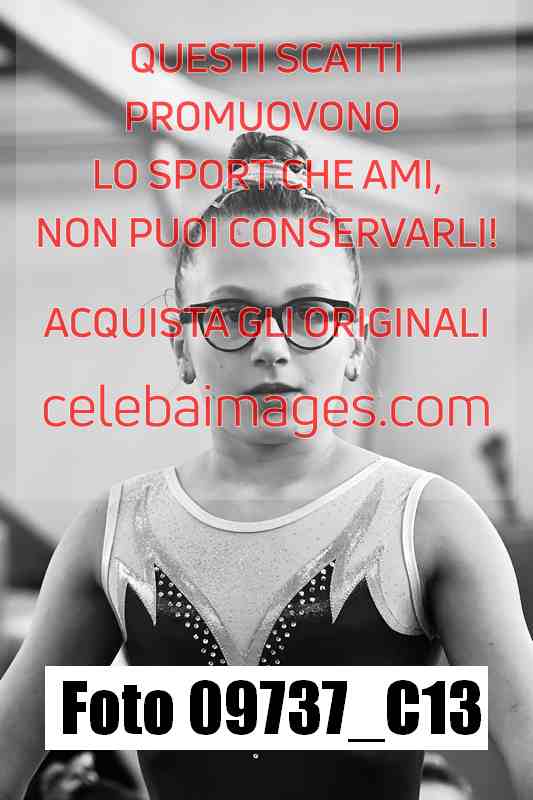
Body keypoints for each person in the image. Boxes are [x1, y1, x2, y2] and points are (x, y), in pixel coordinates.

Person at [1, 132, 532, 800]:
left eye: (309, 312)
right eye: (232, 314)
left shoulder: (430, 522)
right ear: (182, 344)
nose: (271, 346)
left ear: (353, 341)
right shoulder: (113, 530)